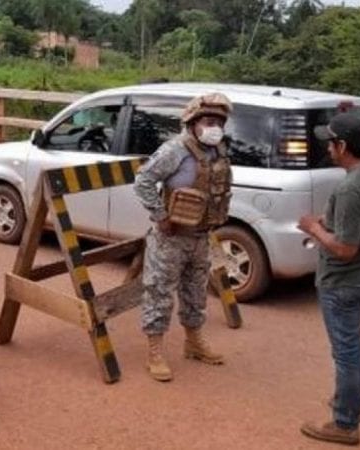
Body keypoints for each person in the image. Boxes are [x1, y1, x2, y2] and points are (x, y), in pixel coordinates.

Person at [298, 113, 360, 446]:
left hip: (344, 282)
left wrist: (313, 228)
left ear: (343, 146)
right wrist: (328, 220)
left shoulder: (350, 188)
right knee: (354, 342)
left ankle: (344, 423)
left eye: (330, 142)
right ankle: (358, 405)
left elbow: (345, 249)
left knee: (345, 352)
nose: (327, 148)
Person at [133, 93, 233, 382]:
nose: (215, 126)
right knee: (159, 292)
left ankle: (194, 342)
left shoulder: (217, 151)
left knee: (195, 293)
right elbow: (143, 181)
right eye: (209, 120)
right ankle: (155, 351)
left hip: (202, 236)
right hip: (172, 238)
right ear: (193, 122)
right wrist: (160, 215)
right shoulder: (174, 150)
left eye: (219, 121)